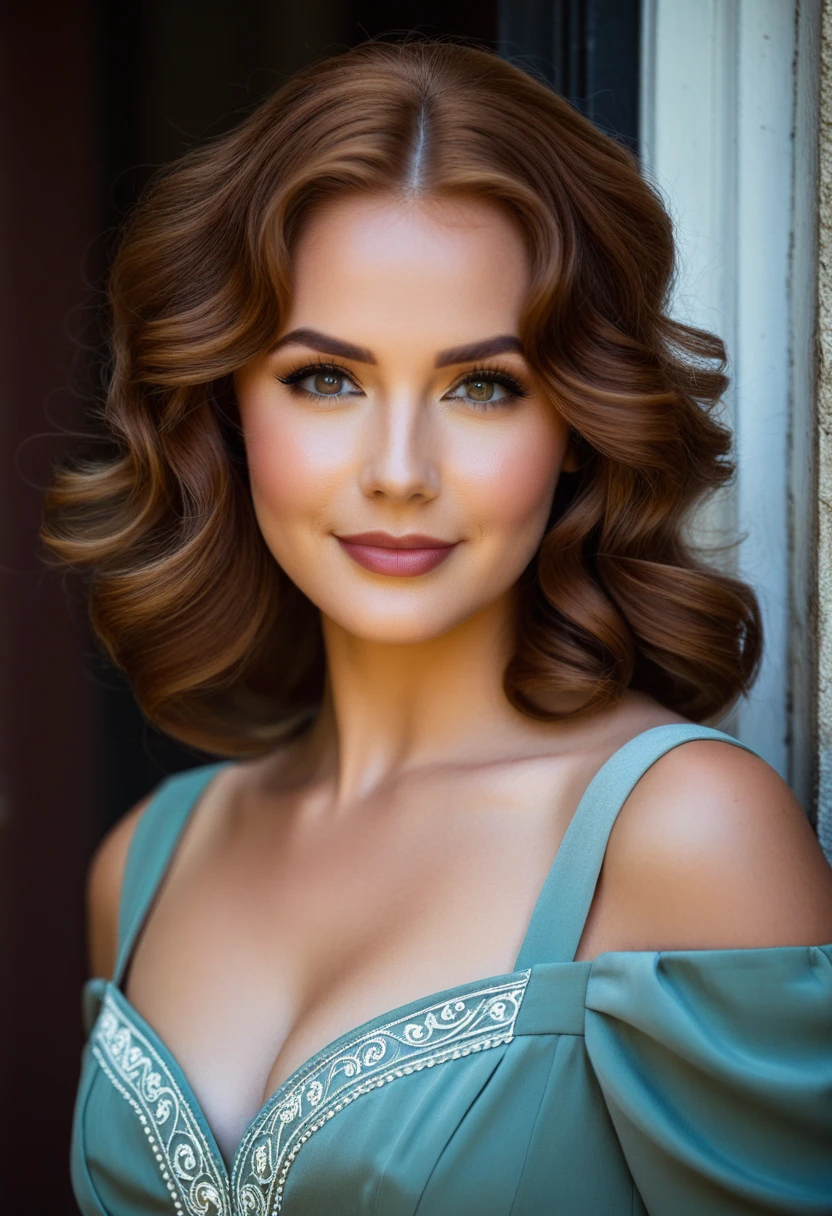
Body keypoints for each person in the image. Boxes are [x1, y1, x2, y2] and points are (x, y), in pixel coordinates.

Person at [45, 37, 832, 1216]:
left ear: (575, 421)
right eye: (325, 379)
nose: (400, 470)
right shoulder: (147, 861)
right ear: (226, 403)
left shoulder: (681, 838)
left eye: (484, 385)